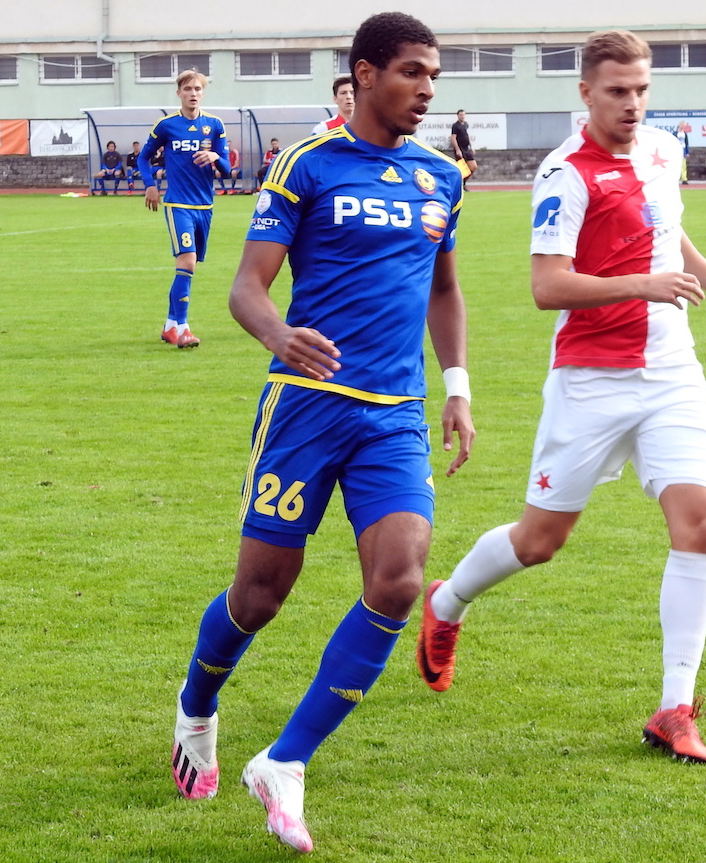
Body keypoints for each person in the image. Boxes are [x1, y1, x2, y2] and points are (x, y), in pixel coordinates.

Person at [169, 12, 472, 854]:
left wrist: (457, 386)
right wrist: (280, 337)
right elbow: (245, 289)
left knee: (402, 576)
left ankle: (286, 761)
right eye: (413, 72)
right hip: (304, 406)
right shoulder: (305, 164)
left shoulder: (442, 178)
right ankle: (198, 703)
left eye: (435, 76)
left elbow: (445, 290)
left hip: (394, 413)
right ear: (366, 74)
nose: (427, 90)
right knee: (261, 594)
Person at [414, 29, 706, 767]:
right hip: (591, 380)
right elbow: (547, 286)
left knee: (700, 525)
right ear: (585, 94)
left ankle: (675, 707)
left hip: (672, 375)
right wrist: (641, 284)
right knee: (540, 542)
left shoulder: (663, 150)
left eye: (642, 90)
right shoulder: (564, 172)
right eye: (617, 92)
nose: (632, 105)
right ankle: (446, 602)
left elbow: (670, 233)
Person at [137, 69, 230, 349]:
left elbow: (226, 169)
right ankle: (184, 328)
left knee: (188, 267)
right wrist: (150, 185)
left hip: (206, 205)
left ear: (203, 93)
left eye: (198, 89)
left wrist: (215, 155)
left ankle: (169, 325)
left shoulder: (214, 125)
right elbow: (143, 157)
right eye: (188, 89)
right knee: (187, 261)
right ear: (179, 93)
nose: (193, 94)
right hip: (178, 203)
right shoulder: (166, 125)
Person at [450, 109, 478, 188]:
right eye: (461, 115)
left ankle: (463, 182)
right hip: (460, 149)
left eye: (463, 115)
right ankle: (458, 185)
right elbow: (453, 138)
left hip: (466, 148)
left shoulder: (465, 124)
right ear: (458, 116)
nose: (462, 116)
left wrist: (471, 146)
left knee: (473, 166)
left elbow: (467, 135)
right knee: (461, 169)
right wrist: (457, 149)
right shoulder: (455, 126)